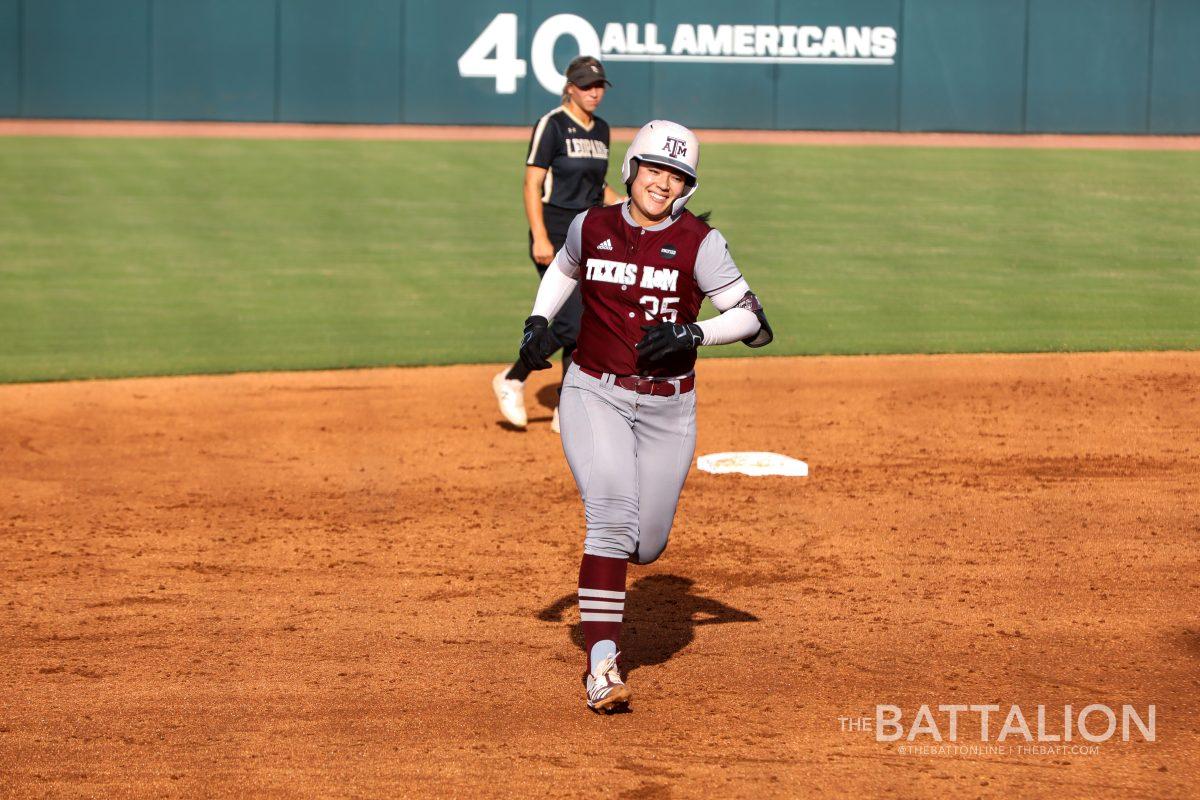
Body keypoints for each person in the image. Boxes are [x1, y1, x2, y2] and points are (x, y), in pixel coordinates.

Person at [515, 120, 774, 712]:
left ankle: (610, 572)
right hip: (593, 391)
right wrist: (538, 320)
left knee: (646, 544)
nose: (663, 182)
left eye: (677, 174)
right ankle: (603, 665)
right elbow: (564, 267)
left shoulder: (699, 242)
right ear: (632, 168)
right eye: (655, 168)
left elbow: (751, 318)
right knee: (609, 519)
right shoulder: (592, 225)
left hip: (669, 407)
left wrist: (693, 330)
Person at [493, 56, 624, 433]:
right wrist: (538, 235)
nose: (594, 92)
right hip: (554, 231)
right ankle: (513, 378)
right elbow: (532, 183)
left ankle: (565, 404)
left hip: (590, 233)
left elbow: (596, 188)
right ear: (570, 87)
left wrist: (631, 207)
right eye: (586, 85)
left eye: (599, 86)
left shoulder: (601, 129)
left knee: (586, 319)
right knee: (570, 322)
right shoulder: (551, 125)